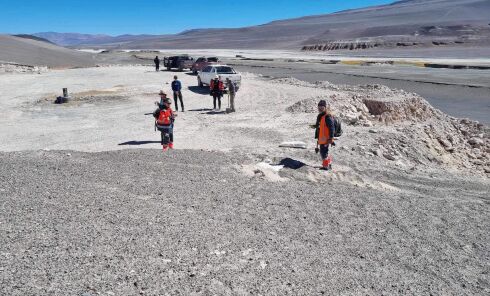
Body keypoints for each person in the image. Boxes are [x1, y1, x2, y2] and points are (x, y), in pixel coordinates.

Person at [314, 100, 335, 170]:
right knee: (324, 151)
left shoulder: (327, 117)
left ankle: (326, 166)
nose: (320, 108)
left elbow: (332, 127)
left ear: (325, 107)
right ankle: (328, 164)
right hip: (322, 138)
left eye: (322, 107)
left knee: (323, 152)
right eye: (319, 107)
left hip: (326, 138)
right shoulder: (322, 116)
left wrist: (331, 138)